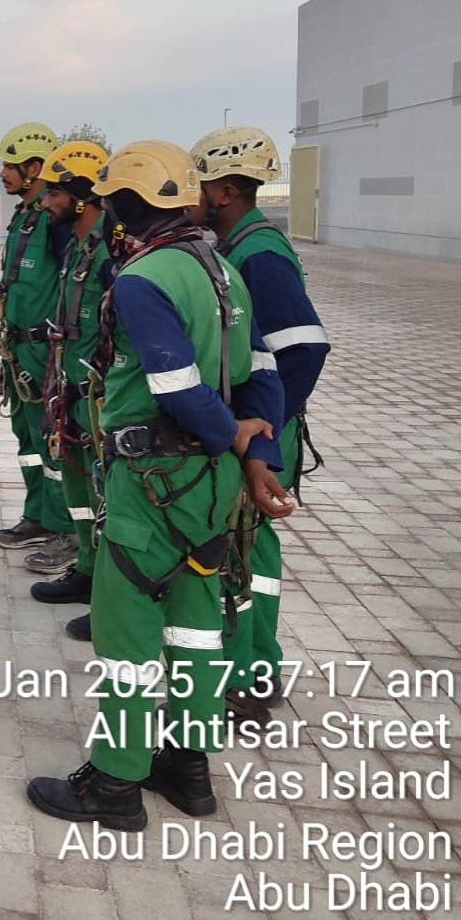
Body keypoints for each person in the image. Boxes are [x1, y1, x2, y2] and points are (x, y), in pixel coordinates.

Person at [26, 140, 288, 830]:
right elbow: (263, 369)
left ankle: (115, 782)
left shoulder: (144, 278)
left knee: (128, 629)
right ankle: (188, 767)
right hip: (211, 487)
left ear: (121, 208)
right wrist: (255, 449)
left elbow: (175, 384)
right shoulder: (221, 269)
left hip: (153, 481)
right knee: (196, 624)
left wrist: (233, 435)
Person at [191, 126, 331, 723]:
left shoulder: (259, 255)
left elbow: (305, 348)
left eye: (199, 184)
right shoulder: (235, 245)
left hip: (261, 432)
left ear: (224, 191)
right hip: (254, 428)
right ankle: (250, 665)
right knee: (245, 547)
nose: (191, 194)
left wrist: (262, 426)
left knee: (246, 550)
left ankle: (248, 679)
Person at [28, 143, 113, 629]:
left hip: (98, 399)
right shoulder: (77, 247)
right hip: (72, 393)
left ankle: (109, 593)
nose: (45, 203)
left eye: (54, 194)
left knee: (105, 496)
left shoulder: (109, 253)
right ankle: (86, 567)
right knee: (78, 489)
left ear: (82, 198)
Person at [0, 123, 71, 549]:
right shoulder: (24, 217)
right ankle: (36, 515)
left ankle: (63, 526)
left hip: (44, 350)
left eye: (10, 165)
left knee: (51, 437)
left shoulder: (55, 222)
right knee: (27, 437)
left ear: (35, 168)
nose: (3, 173)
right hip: (18, 348)